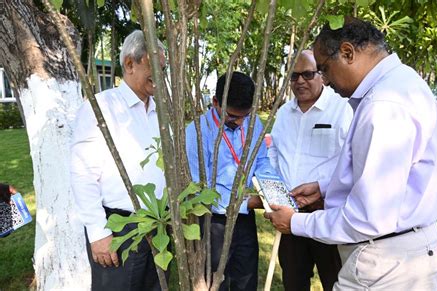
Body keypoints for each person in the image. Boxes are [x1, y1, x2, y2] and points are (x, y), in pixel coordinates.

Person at [265, 17, 437, 290]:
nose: (325, 81)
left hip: (384, 261)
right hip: (403, 251)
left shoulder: (383, 106)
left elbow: (366, 218)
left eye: (324, 70)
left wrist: (296, 223)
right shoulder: (404, 83)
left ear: (348, 53)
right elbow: (388, 176)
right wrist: (325, 187)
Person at [70, 30, 167, 291]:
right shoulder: (100, 107)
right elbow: (83, 173)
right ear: (129, 64)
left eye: (163, 69)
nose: (161, 77)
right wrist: (98, 232)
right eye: (155, 68)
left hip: (157, 229)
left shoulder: (159, 112)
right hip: (118, 231)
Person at [267, 50, 353, 290]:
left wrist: (323, 191)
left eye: (307, 74)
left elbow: (350, 160)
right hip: (290, 214)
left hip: (326, 212)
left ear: (322, 76)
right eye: (294, 76)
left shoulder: (342, 110)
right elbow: (274, 152)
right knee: (294, 281)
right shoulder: (284, 113)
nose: (300, 81)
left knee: (335, 280)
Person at [186, 72, 274, 291]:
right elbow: (198, 190)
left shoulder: (252, 124)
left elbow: (262, 161)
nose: (240, 122)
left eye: (245, 116)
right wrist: (246, 203)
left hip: (244, 220)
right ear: (216, 102)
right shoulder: (197, 132)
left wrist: (272, 190)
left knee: (245, 279)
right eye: (233, 117)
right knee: (216, 281)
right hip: (212, 221)